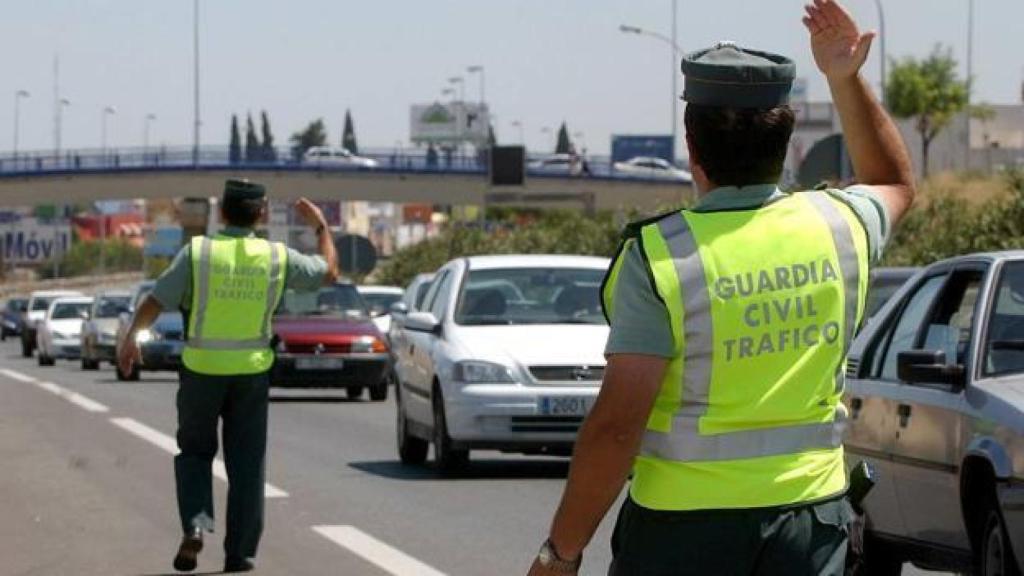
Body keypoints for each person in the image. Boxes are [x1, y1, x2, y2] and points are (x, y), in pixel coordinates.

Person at [527, 1, 915, 574]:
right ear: (783, 142)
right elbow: (892, 181)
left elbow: (615, 430)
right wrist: (844, 79)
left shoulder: (660, 257)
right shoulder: (841, 226)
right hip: (810, 527)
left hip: (684, 532)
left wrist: (560, 554)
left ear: (691, 142)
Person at [117, 179, 339, 573]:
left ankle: (196, 526)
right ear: (263, 214)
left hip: (201, 370)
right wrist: (321, 227)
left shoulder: (198, 253)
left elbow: (155, 300)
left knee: (195, 454)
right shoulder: (276, 256)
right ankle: (239, 555)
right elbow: (329, 273)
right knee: (247, 467)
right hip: (251, 374)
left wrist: (130, 340)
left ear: (221, 214)